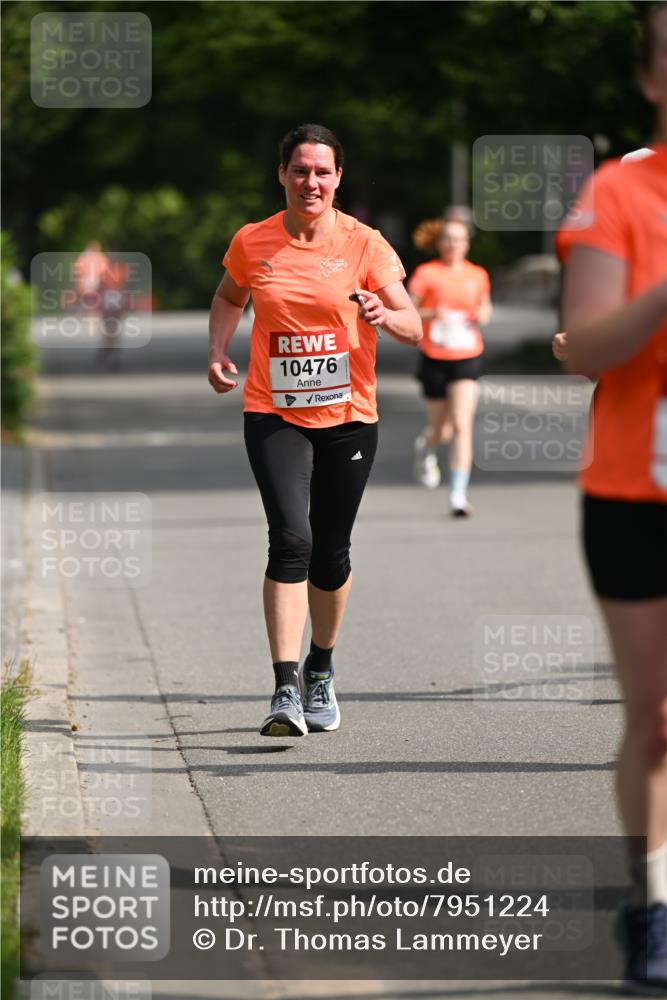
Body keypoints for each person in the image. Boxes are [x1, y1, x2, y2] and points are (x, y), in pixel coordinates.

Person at [208, 124, 422, 737]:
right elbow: (229, 296)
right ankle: (283, 687)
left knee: (331, 553)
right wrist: (218, 350)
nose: (311, 182)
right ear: (281, 175)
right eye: (300, 170)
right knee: (290, 539)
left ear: (338, 179)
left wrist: (386, 313)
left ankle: (320, 669)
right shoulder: (253, 242)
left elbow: (414, 325)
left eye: (323, 172)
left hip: (350, 416)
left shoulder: (365, 244)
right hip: (273, 412)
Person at [555, 3, 667, 991]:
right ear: (650, 81)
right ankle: (654, 903)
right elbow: (584, 345)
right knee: (659, 719)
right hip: (637, 491)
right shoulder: (617, 193)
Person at [408, 214, 492, 515]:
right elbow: (408, 311)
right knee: (441, 431)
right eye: (448, 239)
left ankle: (458, 494)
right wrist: (433, 313)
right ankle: (426, 446)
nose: (453, 244)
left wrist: (481, 314)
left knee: (462, 425)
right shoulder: (426, 273)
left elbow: (485, 308)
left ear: (466, 243)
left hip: (467, 356)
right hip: (434, 356)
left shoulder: (478, 274)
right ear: (439, 243)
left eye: (459, 239)